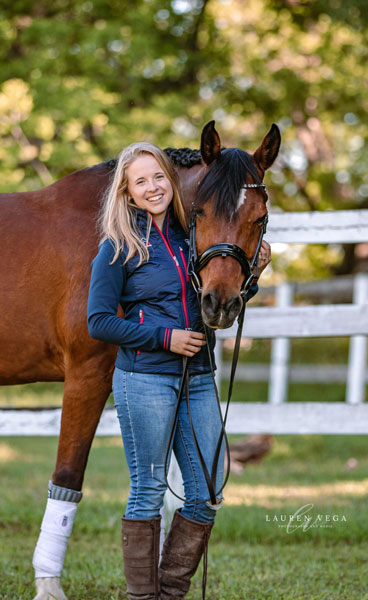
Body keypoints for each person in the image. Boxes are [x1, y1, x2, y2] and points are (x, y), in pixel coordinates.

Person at [87, 142, 269, 599]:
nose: (153, 188)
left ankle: (168, 594)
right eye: (141, 181)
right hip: (144, 378)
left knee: (207, 491)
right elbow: (98, 321)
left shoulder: (196, 239)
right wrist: (164, 338)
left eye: (159, 178)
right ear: (128, 193)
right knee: (147, 491)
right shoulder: (118, 247)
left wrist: (254, 277)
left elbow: (214, 303)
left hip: (199, 378)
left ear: (173, 182)